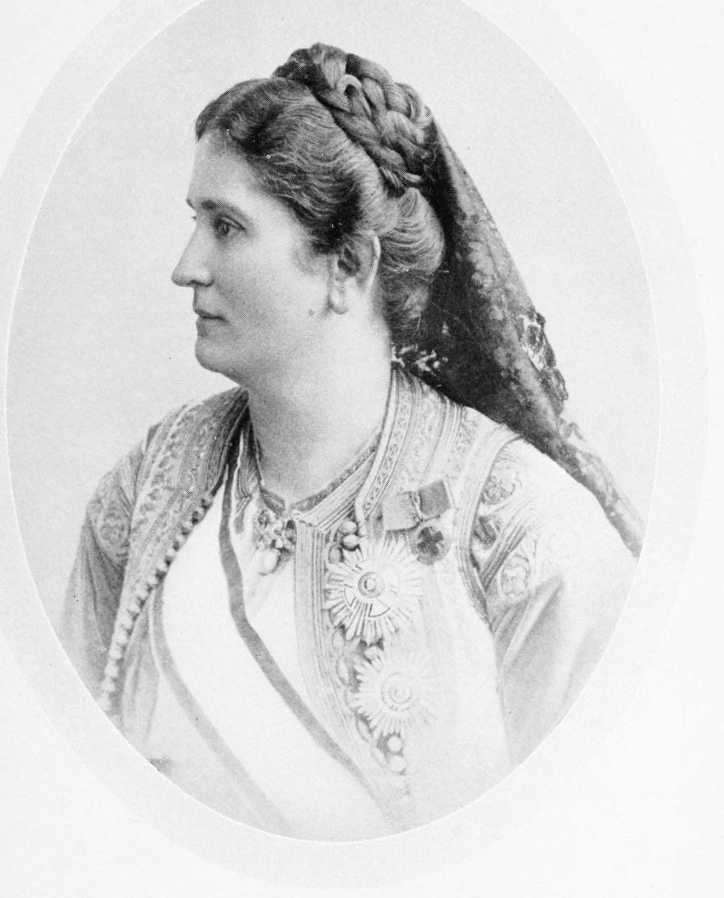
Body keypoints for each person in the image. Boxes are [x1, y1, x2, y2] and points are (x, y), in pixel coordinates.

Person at [61, 43, 641, 840]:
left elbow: (593, 838)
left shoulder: (521, 531)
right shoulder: (146, 491)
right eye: (195, 222)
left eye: (226, 227)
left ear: (348, 265)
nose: (186, 267)